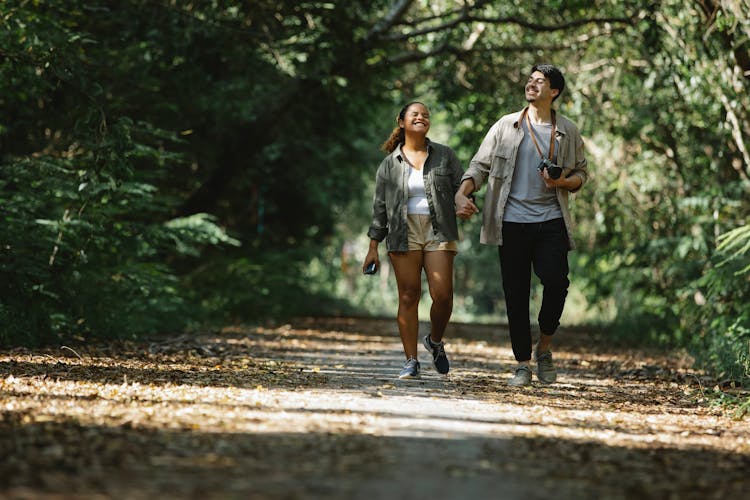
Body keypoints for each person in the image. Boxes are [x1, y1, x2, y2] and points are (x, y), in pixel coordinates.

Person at [455, 64, 588, 386]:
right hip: (511, 221)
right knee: (515, 294)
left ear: (554, 91)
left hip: (551, 219)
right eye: (530, 80)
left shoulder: (567, 131)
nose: (531, 85)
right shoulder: (505, 126)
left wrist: (562, 181)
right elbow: (480, 165)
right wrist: (462, 192)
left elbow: (582, 174)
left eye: (539, 82)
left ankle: (544, 346)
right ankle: (522, 364)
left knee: (556, 282)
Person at [363, 102, 465, 379]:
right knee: (408, 295)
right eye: (415, 114)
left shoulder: (445, 156)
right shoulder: (389, 165)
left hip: (438, 229)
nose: (421, 117)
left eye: (425, 115)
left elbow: (462, 189)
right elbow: (380, 208)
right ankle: (411, 360)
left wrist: (464, 202)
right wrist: (373, 245)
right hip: (401, 230)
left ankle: (434, 341)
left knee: (442, 296)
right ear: (402, 122)